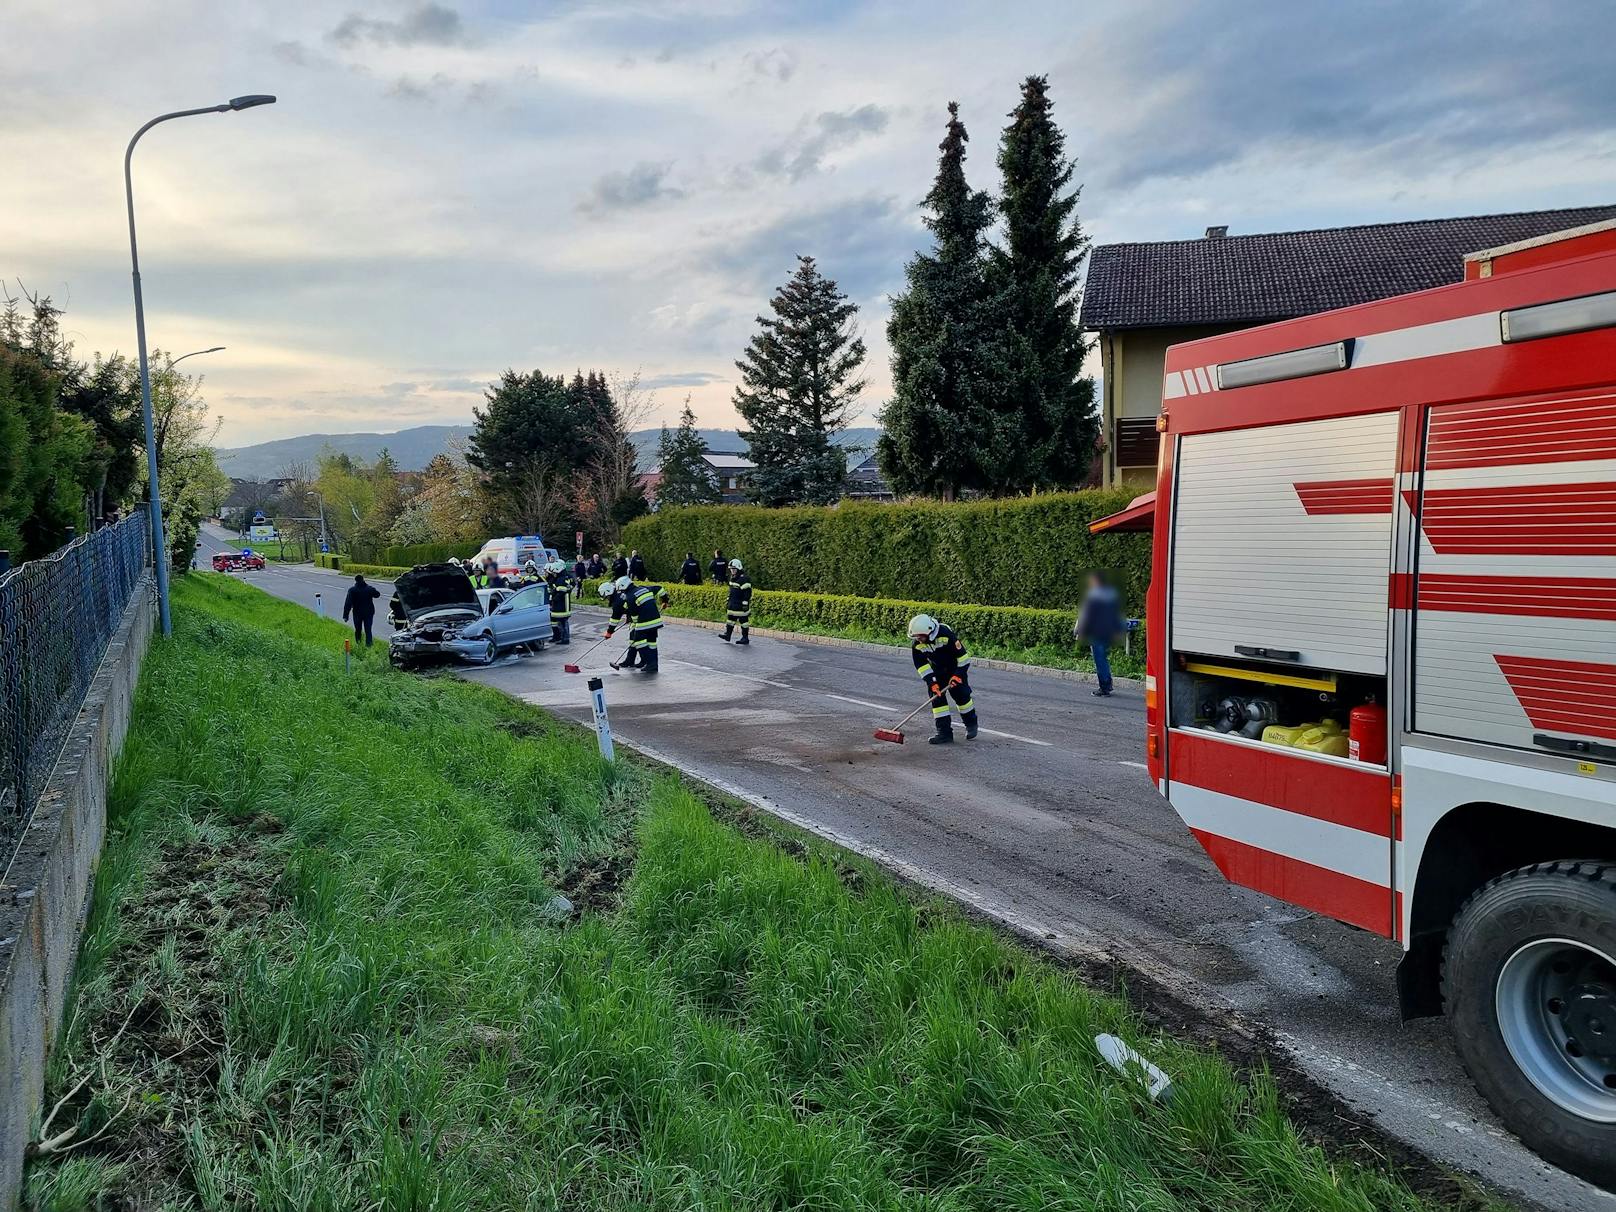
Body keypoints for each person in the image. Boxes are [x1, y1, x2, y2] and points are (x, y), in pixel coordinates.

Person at [908, 614, 978, 744]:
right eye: (916, 637)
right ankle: (944, 733)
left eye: (921, 636)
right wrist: (932, 682)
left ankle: (971, 725)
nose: (919, 639)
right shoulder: (917, 644)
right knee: (937, 700)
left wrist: (957, 675)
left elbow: (963, 658)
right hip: (937, 671)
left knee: (962, 696)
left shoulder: (946, 634)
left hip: (955, 668)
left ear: (929, 631)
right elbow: (921, 665)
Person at [606, 573, 670, 674]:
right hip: (656, 621)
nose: (621, 592)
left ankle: (649, 664)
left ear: (623, 586)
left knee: (638, 641)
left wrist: (610, 631)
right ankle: (653, 665)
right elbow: (660, 589)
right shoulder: (644, 588)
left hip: (645, 622)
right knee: (651, 643)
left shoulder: (629, 597)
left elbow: (632, 616)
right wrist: (665, 601)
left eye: (621, 590)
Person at [1074, 571, 1123, 697]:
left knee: (1099, 659)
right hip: (1108, 632)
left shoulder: (1093, 596)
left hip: (1096, 633)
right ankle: (1107, 684)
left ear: (1096, 581)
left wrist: (1081, 632)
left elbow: (1087, 617)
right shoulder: (1111, 595)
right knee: (1103, 659)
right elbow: (1116, 615)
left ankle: (1105, 687)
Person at [342, 574, 381, 647]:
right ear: (363, 579)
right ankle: (369, 645)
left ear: (355, 581)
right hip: (369, 612)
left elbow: (348, 603)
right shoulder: (369, 589)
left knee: (358, 629)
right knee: (368, 630)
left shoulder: (352, 590)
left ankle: (358, 643)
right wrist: (368, 586)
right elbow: (377, 595)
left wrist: (345, 615)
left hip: (357, 613)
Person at [719, 558, 752, 644]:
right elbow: (731, 591)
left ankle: (745, 638)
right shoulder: (733, 578)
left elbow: (747, 593)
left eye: (733, 569)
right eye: (731, 569)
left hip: (740, 605)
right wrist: (728, 601)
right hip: (733, 604)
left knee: (744, 621)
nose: (732, 571)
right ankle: (728, 635)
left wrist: (745, 603)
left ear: (738, 568)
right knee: (730, 620)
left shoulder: (744, 579)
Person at [546, 560, 573, 644]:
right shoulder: (559, 578)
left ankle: (565, 639)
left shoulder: (561, 579)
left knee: (563, 622)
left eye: (554, 572)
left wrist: (554, 596)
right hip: (560, 604)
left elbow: (561, 591)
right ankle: (559, 637)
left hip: (562, 605)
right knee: (560, 622)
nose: (553, 573)